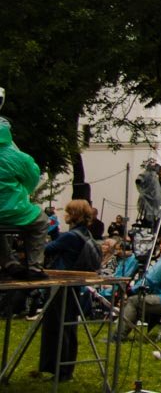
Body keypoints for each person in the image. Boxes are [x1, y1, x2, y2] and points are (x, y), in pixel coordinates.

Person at [39, 199, 101, 381]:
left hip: (62, 285)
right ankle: (65, 370)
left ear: (73, 215)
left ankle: (60, 371)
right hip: (75, 286)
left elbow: (46, 249)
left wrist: (49, 232)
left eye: (67, 212)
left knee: (58, 327)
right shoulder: (85, 234)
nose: (64, 215)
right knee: (68, 327)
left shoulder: (70, 236)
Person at [114, 233, 161, 341]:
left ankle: (117, 337)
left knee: (133, 301)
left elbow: (150, 279)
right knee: (139, 302)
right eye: (160, 243)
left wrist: (132, 290)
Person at [0, 117, 49, 279]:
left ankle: (8, 262)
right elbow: (32, 181)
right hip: (14, 211)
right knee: (41, 222)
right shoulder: (19, 158)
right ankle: (34, 267)